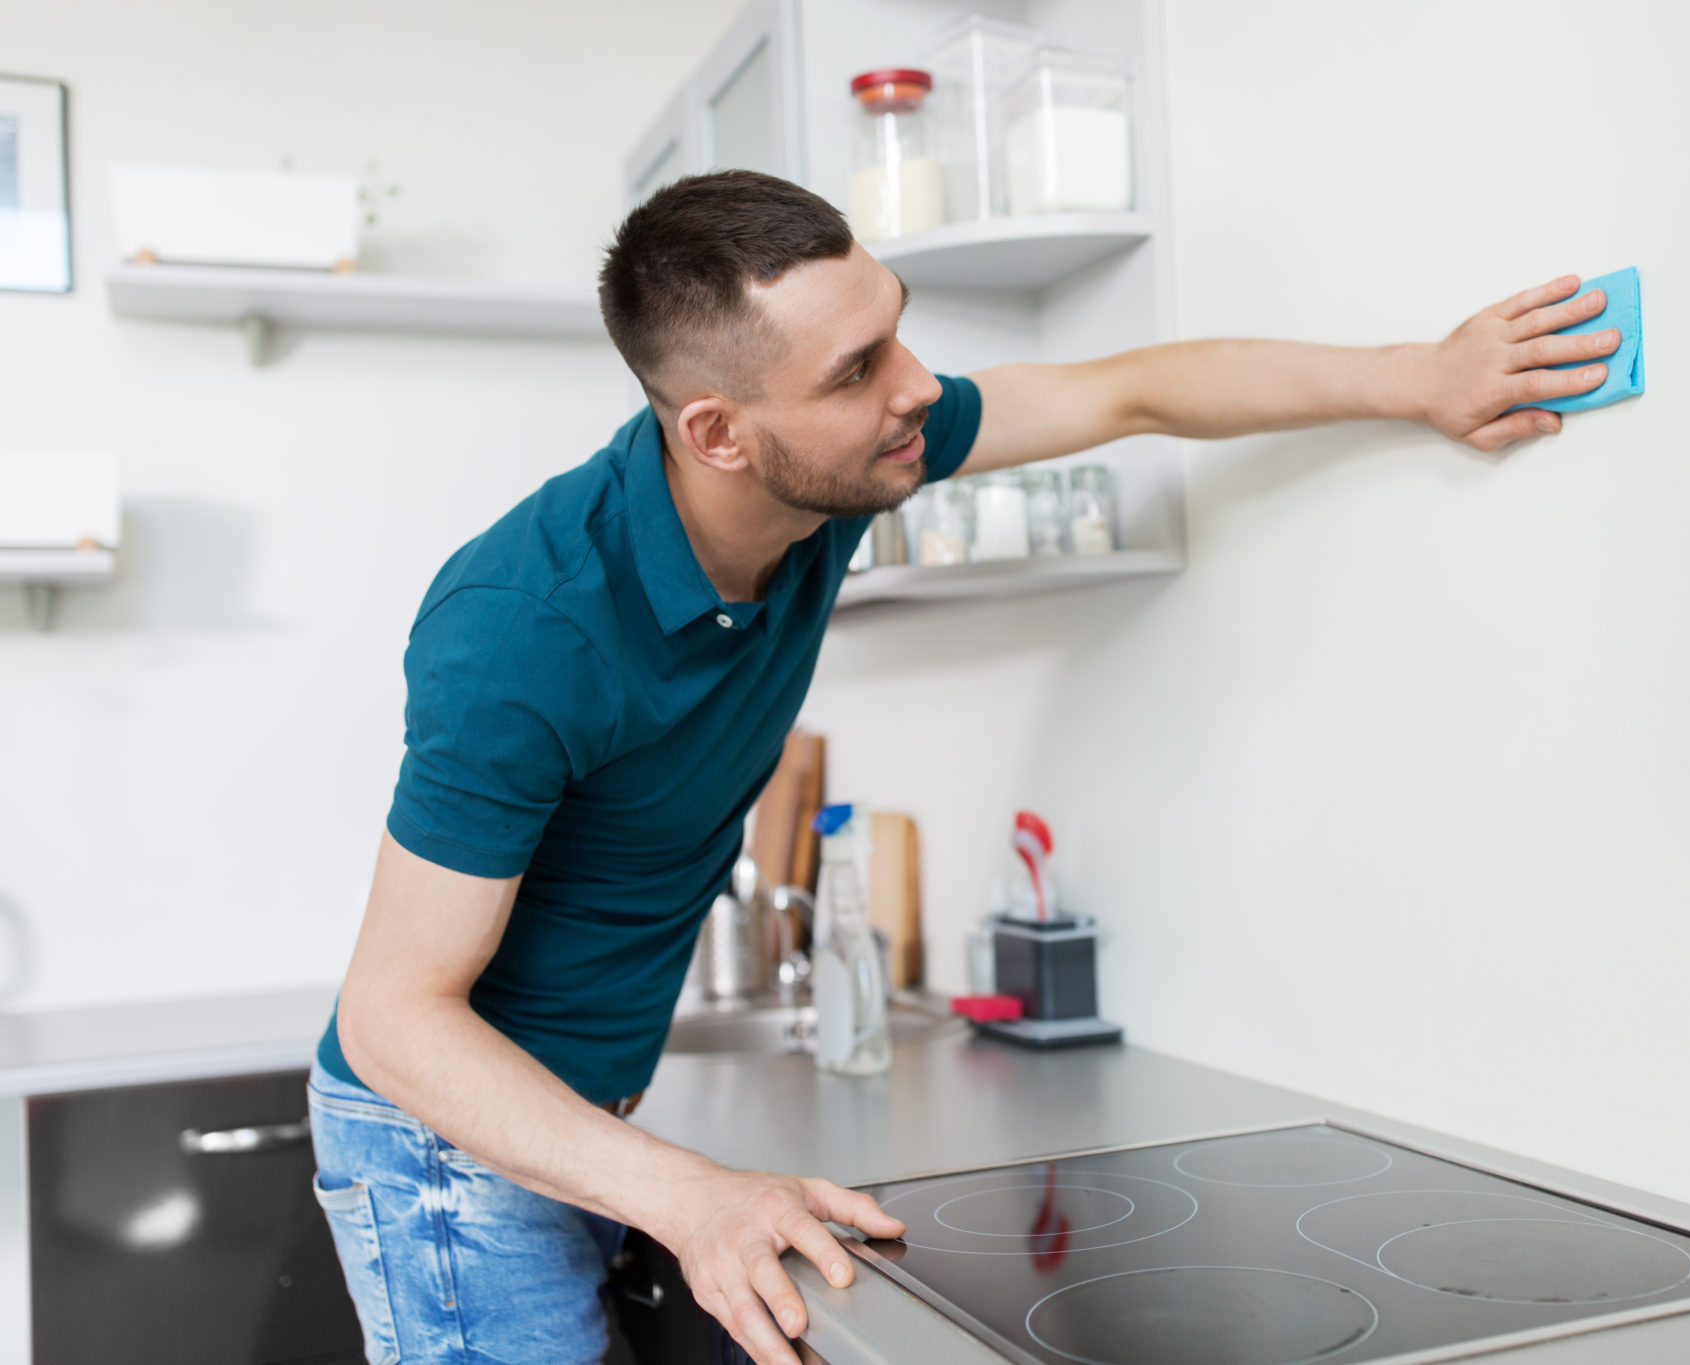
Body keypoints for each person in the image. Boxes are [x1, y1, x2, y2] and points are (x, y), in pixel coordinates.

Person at [308, 169, 1621, 1365]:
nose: (920, 387)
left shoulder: (834, 463)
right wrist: (689, 1192)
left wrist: (1425, 376)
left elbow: (1130, 389)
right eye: (858, 366)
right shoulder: (522, 628)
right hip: (445, 1147)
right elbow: (396, 1016)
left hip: (584, 1112)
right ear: (717, 432)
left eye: (899, 324)